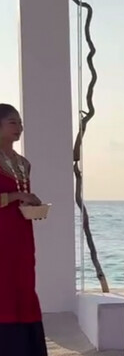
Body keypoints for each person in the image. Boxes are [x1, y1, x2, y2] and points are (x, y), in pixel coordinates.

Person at [0, 103, 48, 356]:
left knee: (24, 284)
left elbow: (21, 195)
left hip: (21, 234)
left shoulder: (23, 164)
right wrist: (18, 196)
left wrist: (32, 205)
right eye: (13, 122)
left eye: (20, 123)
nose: (19, 127)